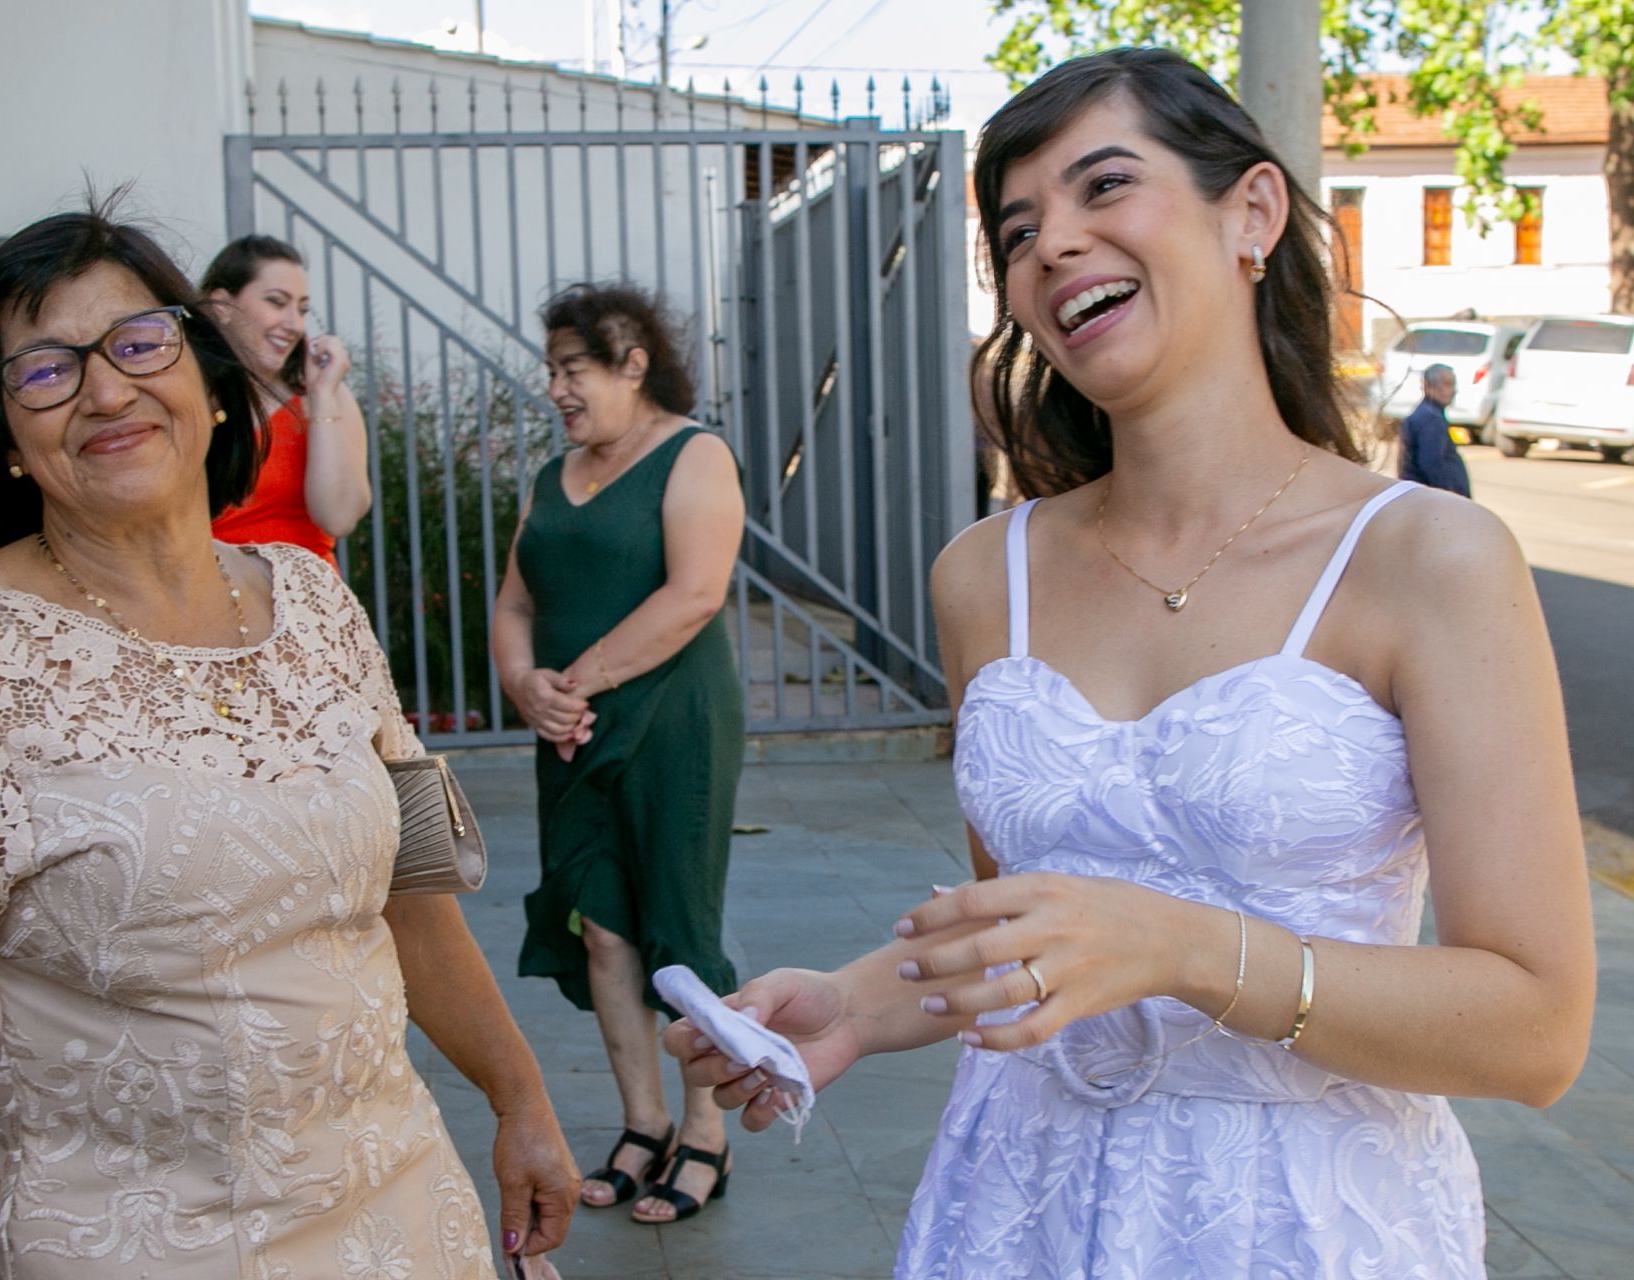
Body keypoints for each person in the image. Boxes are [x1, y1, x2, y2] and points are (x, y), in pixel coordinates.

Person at [670, 49, 1594, 1278]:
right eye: (1016, 232)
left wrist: (1189, 947)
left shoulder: (1429, 555)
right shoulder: (984, 574)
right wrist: (857, 1001)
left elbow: (1537, 1029)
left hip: (1308, 1223)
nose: (1053, 243)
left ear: (1251, 213)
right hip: (1018, 1203)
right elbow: (1029, 941)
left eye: (1105, 185)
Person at [0, 206, 578, 1277]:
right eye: (46, 370)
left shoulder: (315, 603)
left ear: (210, 383)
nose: (106, 391)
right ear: (6, 437)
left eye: (137, 342)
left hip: (399, 1213)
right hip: (125, 1244)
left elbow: (410, 893)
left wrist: (519, 1094)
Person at [491, 283, 746, 1226]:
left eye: (574, 369)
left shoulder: (694, 453)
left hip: (673, 722)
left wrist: (572, 683)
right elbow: (515, 602)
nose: (557, 388)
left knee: (679, 924)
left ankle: (707, 1133)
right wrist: (526, 685)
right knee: (600, 924)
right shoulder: (553, 476)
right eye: (552, 370)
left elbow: (696, 593)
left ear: (633, 364)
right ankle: (645, 1122)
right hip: (570, 727)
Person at [202, 235, 370, 562]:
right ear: (221, 306)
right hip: (209, 587)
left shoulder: (323, 394)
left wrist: (322, 396)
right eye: (277, 302)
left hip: (303, 590)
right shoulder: (186, 394)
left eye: (302, 309)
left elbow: (338, 518)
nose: (294, 324)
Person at [1400, 362, 1473, 496]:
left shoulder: (1430, 414)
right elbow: (1432, 464)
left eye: (1453, 384)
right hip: (1434, 499)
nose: (1453, 391)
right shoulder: (1430, 419)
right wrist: (1451, 496)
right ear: (1428, 387)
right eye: (1448, 384)